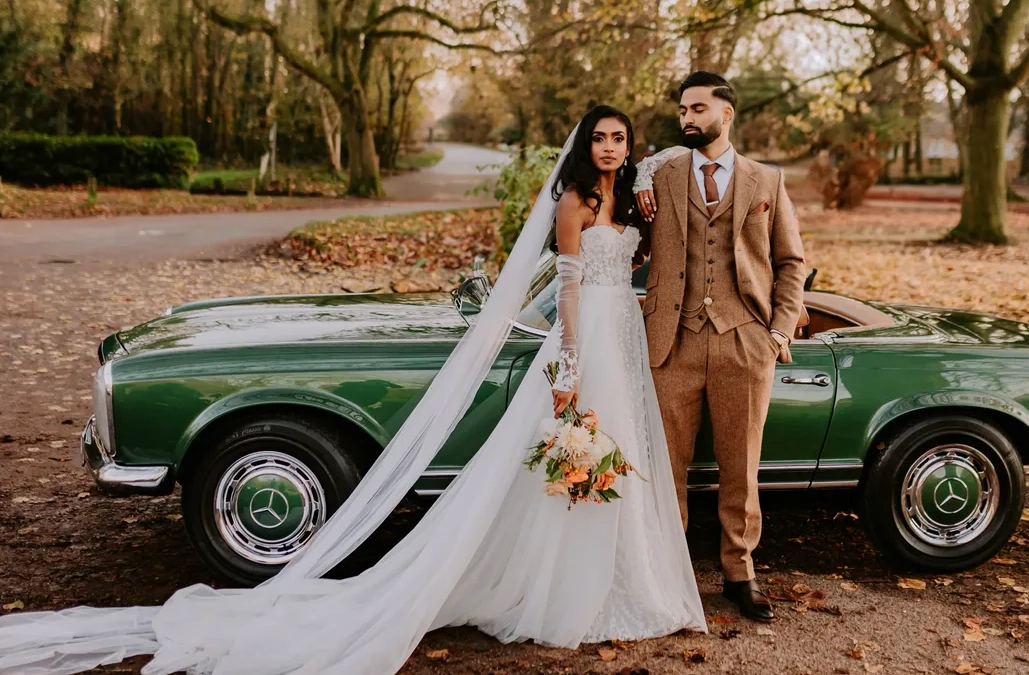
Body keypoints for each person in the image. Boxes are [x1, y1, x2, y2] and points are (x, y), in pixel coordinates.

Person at [0, 105, 706, 675]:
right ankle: (563, 592)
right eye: (601, 138)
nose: (611, 147)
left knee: (624, 465)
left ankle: (622, 577)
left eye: (620, 139)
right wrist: (573, 360)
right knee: (569, 466)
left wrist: (652, 172)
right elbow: (574, 283)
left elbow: (685, 166)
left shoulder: (634, 197)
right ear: (584, 145)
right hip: (587, 340)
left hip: (630, 342)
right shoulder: (574, 201)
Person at [632, 71, 809, 623]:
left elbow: (791, 262)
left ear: (726, 113)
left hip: (745, 342)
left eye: (698, 108)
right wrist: (637, 171)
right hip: (671, 342)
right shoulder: (658, 176)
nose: (687, 118)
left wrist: (776, 333)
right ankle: (668, 574)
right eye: (682, 109)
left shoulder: (766, 181)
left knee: (741, 466)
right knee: (666, 469)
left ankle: (740, 573)